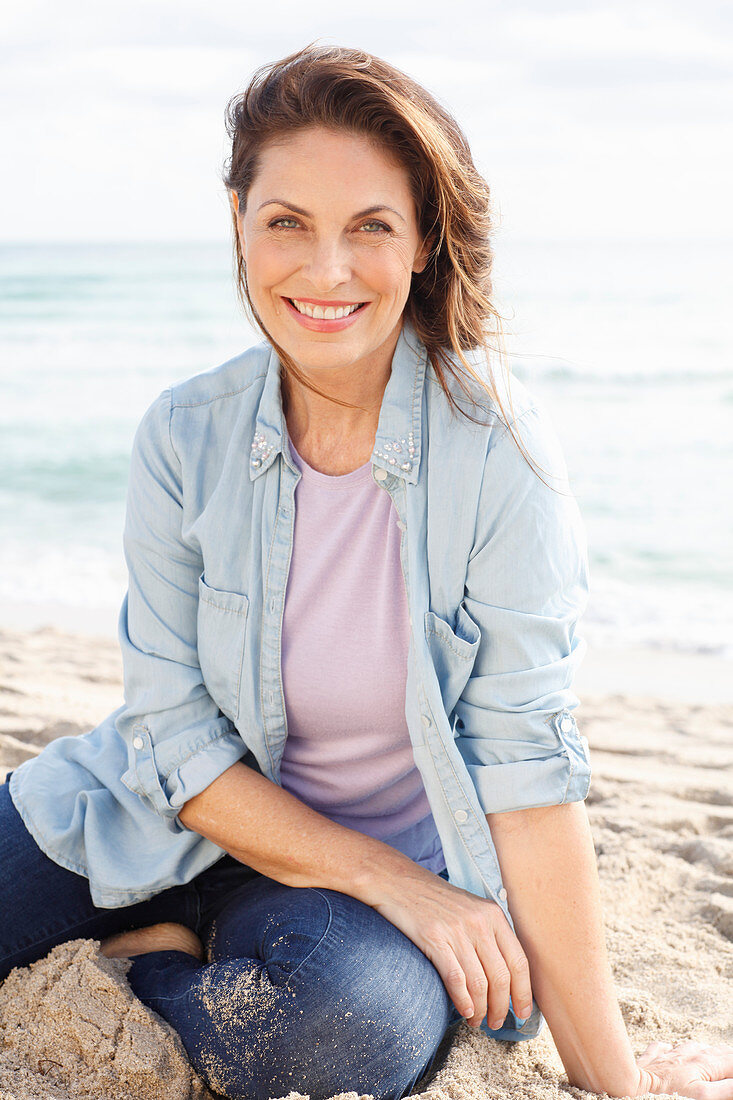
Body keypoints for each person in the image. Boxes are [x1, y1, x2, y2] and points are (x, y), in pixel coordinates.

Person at [1, 43, 731, 1100]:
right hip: (148, 812)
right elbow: (172, 736)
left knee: (345, 1035)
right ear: (240, 226)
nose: (326, 268)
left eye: (370, 226)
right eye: (286, 220)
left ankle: (149, 957)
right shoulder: (183, 436)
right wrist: (402, 884)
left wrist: (608, 1078)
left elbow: (527, 770)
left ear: (426, 241)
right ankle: (158, 918)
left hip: (338, 912)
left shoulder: (500, 456)